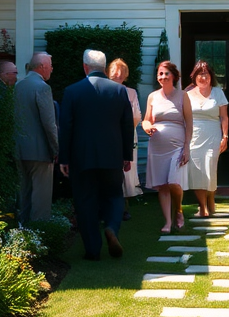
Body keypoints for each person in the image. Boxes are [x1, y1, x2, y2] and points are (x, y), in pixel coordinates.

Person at [59, 49, 134, 260]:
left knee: (85, 201)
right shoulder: (119, 91)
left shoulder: (72, 91)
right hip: (112, 156)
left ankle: (92, 250)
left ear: (85, 67)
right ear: (104, 67)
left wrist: (64, 158)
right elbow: (127, 125)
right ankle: (111, 227)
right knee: (114, 195)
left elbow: (66, 127)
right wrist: (127, 155)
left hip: (82, 158)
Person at [143, 60, 192, 233]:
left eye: (166, 73)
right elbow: (146, 119)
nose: (163, 77)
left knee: (174, 182)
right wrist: (147, 126)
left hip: (177, 146)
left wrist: (187, 147)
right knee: (162, 185)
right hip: (157, 147)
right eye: (160, 74)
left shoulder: (183, 96)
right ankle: (167, 222)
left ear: (174, 76)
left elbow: (189, 123)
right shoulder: (152, 96)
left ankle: (178, 210)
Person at [14, 52, 57, 223]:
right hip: (40, 151)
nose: (52, 70)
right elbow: (49, 123)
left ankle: (22, 232)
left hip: (19, 149)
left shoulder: (18, 86)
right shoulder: (42, 87)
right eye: (51, 66)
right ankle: (40, 236)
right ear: (43, 67)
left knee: (24, 194)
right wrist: (55, 148)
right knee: (41, 198)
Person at [185, 60, 229, 217]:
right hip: (194, 137)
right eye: (200, 75)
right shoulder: (187, 94)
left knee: (210, 170)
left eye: (206, 74)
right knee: (197, 172)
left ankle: (211, 198)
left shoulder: (218, 92)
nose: (203, 78)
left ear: (211, 76)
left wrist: (225, 136)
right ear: (194, 77)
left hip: (213, 136)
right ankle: (202, 206)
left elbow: (224, 116)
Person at [109, 58, 143, 218]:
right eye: (115, 74)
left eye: (121, 74)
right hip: (110, 134)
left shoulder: (131, 92)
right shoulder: (105, 90)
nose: (118, 77)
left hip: (128, 134)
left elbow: (137, 115)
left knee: (128, 171)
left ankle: (124, 206)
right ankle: (110, 206)